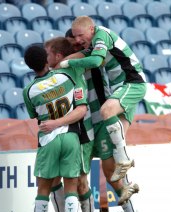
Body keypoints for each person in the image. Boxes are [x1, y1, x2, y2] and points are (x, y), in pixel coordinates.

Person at [42, 36, 142, 212]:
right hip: (82, 127)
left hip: (101, 121)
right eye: (75, 43)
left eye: (81, 42)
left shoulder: (92, 56)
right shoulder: (64, 69)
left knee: (112, 175)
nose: (81, 45)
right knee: (79, 180)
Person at [60, 16, 148, 182]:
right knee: (115, 139)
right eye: (75, 36)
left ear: (91, 29)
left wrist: (68, 64)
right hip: (119, 89)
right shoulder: (92, 43)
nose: (78, 40)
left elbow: (95, 60)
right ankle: (126, 184)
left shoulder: (101, 35)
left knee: (106, 110)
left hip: (132, 82)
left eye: (80, 35)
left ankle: (124, 161)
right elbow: (80, 55)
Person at [22, 45, 88, 212]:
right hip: (70, 136)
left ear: (29, 65)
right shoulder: (66, 78)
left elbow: (35, 116)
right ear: (46, 60)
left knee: (43, 188)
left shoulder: (29, 91)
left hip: (48, 139)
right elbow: (81, 107)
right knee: (71, 186)